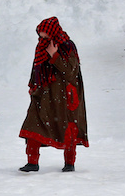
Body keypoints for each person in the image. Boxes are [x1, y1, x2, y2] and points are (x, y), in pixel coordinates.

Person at [19, 17, 88, 173]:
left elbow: (71, 72)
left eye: (45, 36)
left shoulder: (67, 46)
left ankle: (69, 164)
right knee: (33, 124)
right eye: (40, 36)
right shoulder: (41, 46)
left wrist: (54, 55)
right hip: (43, 94)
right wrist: (33, 85)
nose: (42, 39)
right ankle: (32, 162)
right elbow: (36, 67)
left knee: (67, 128)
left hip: (63, 95)